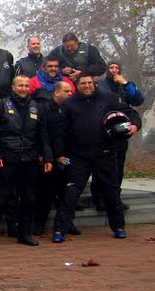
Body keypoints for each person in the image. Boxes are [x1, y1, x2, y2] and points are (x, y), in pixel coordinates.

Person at [54, 74, 140, 241]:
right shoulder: (69, 104)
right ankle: (60, 230)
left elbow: (130, 113)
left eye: (89, 83)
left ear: (94, 83)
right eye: (83, 84)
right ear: (76, 86)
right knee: (70, 194)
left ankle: (119, 227)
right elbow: (60, 132)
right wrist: (60, 154)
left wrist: (135, 124)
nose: (87, 86)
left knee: (111, 192)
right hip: (79, 157)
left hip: (105, 154)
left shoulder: (110, 98)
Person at [0, 75, 53, 246]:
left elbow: (43, 135)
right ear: (13, 87)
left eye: (26, 86)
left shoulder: (37, 107)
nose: (23, 89)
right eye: (20, 85)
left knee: (28, 198)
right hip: (6, 159)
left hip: (29, 159)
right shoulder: (0, 106)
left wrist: (47, 156)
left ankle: (25, 234)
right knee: (0, 198)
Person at [97, 60, 146, 202]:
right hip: (103, 129)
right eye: (111, 67)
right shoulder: (100, 85)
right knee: (102, 166)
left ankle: (115, 198)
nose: (113, 70)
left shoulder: (125, 86)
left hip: (121, 130)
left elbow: (138, 100)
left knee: (118, 165)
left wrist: (125, 83)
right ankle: (99, 198)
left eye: (116, 68)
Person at [33, 81, 73, 238]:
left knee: (67, 194)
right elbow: (42, 134)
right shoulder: (44, 110)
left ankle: (67, 223)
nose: (70, 93)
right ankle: (39, 224)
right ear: (57, 92)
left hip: (68, 157)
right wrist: (47, 155)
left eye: (71, 91)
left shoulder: (69, 110)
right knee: (46, 194)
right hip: (50, 158)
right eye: (67, 91)